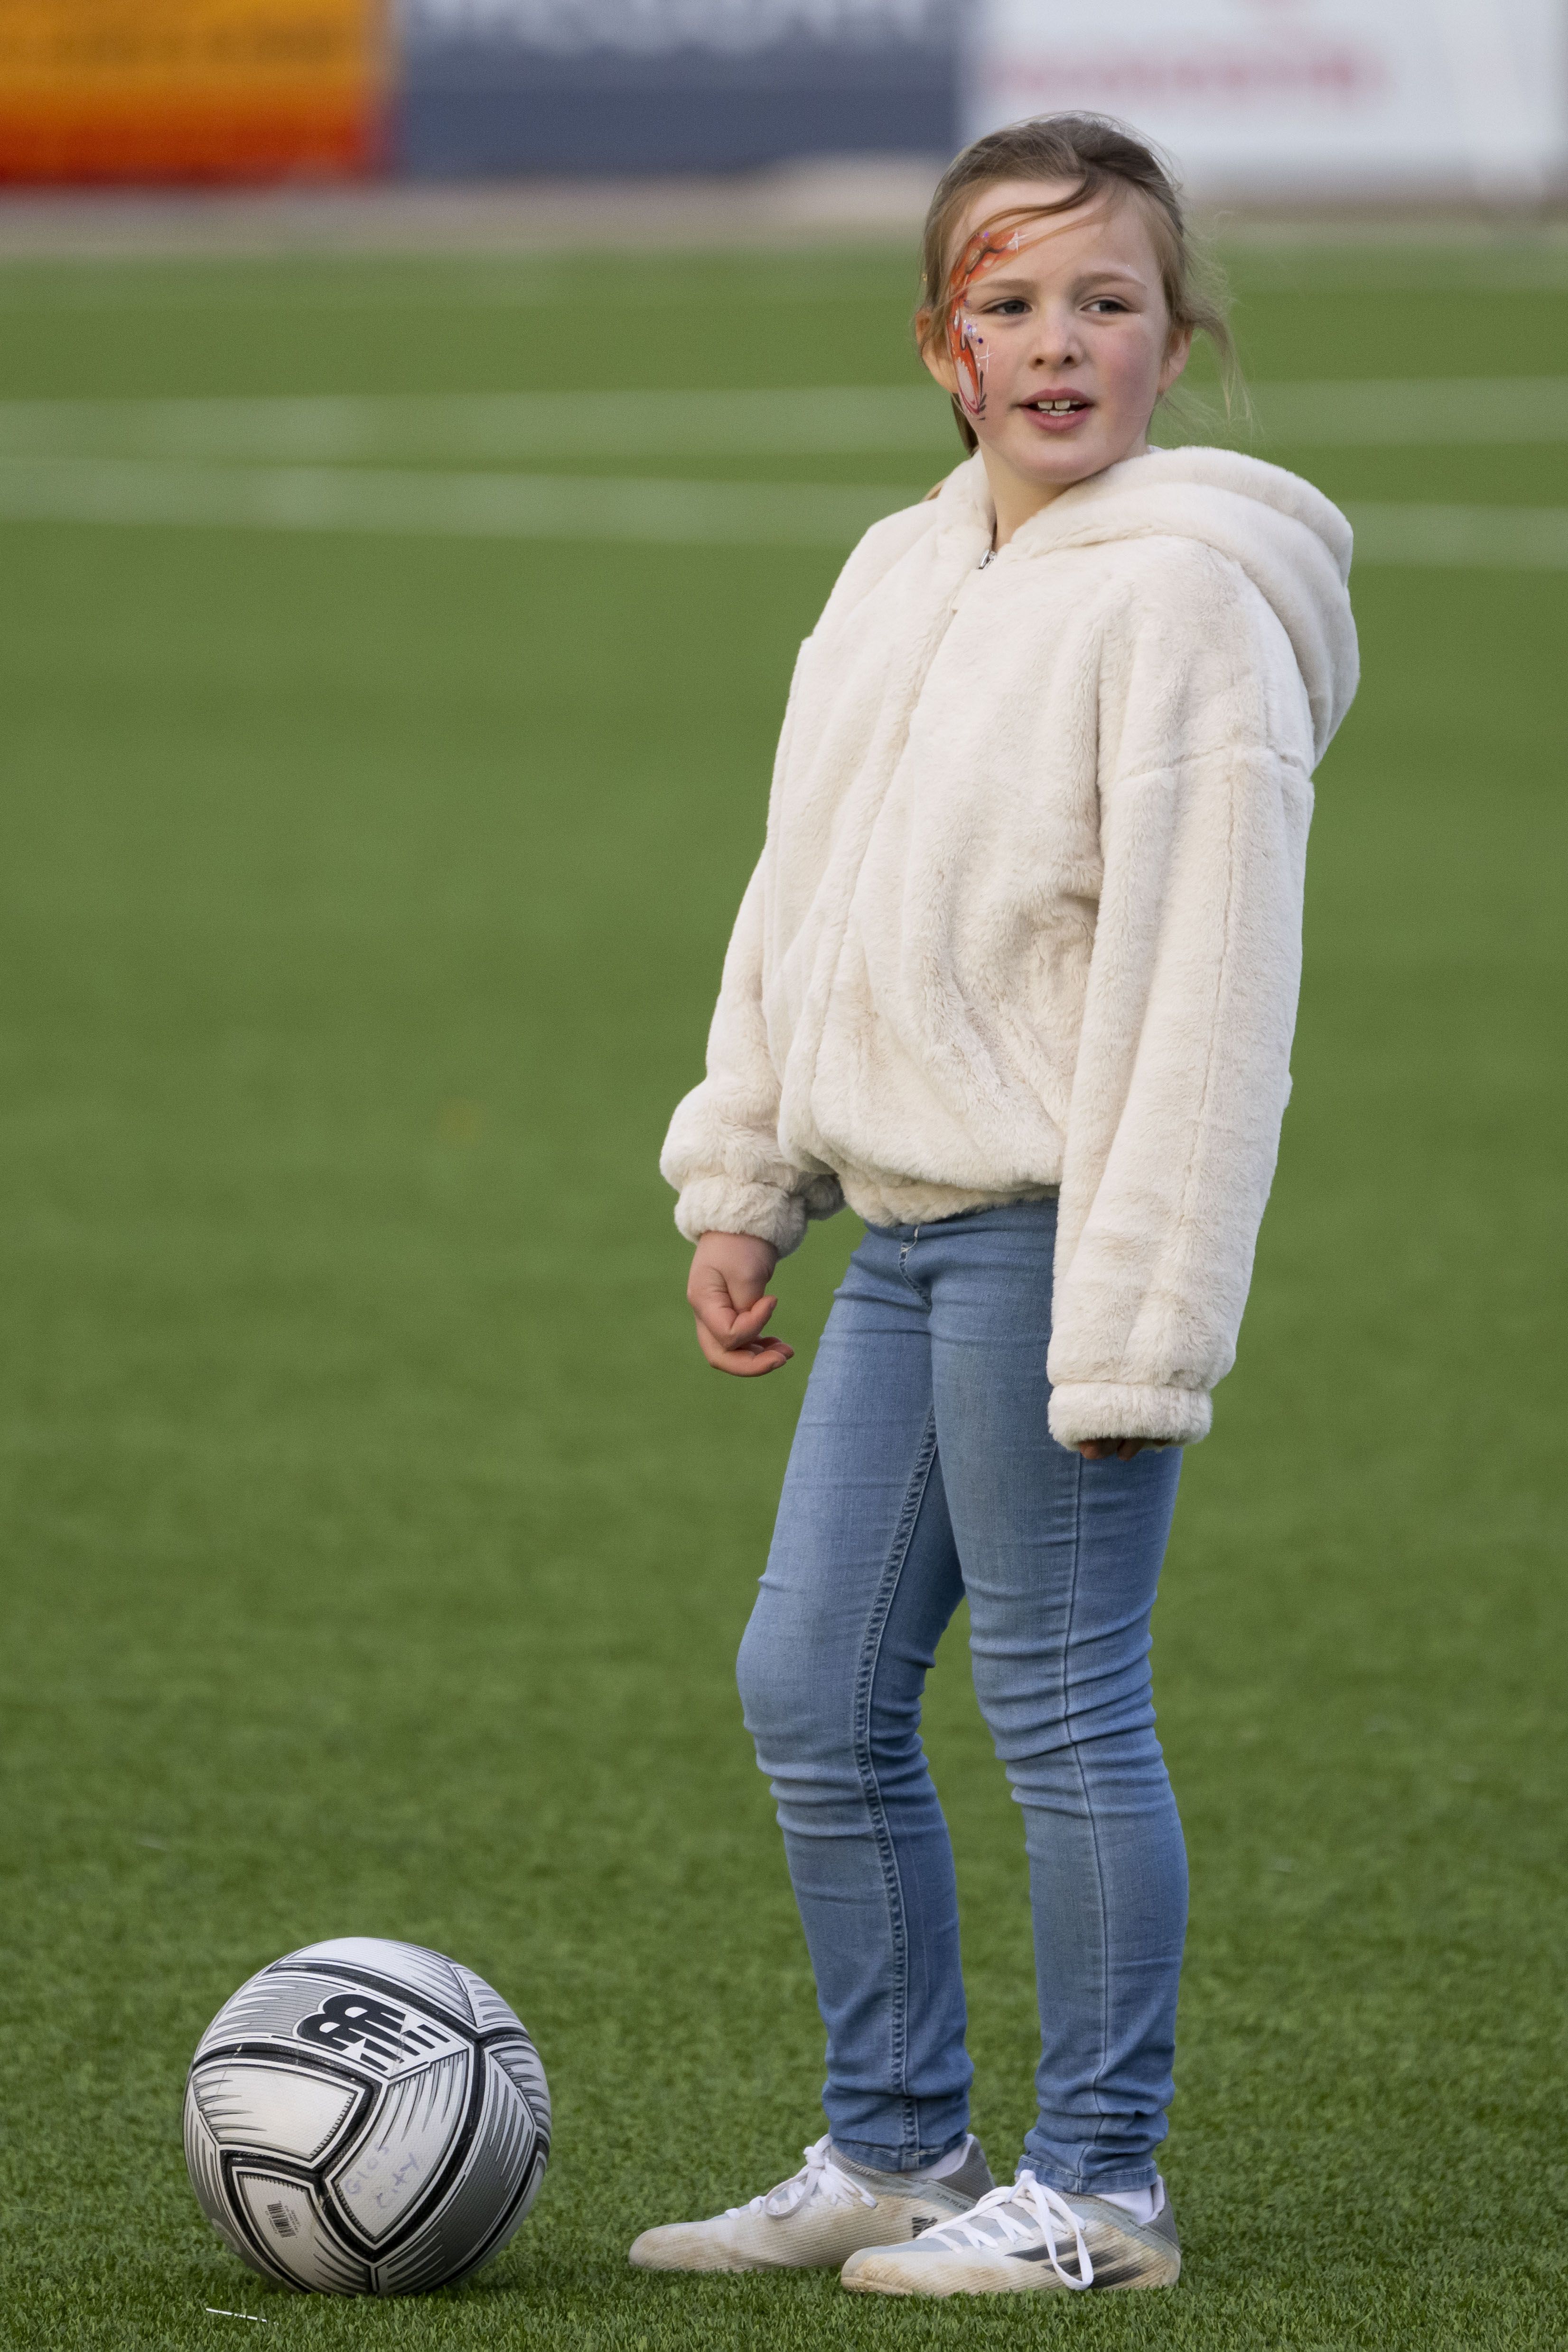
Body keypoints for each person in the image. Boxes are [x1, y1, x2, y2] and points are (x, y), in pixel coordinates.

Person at [633, 112, 1358, 2298]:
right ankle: (899, 2151)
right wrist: (747, 1168)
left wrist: (1138, 1329)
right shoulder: (896, 568)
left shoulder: (1187, 612)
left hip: (1056, 1242)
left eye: (1106, 304)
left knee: (1059, 1704)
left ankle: (1105, 2193)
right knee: (806, 1687)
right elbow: (804, 887)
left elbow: (1207, 1000)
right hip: (898, 1225)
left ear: (1174, 335)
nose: (1059, 346)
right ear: (942, 346)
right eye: (1011, 305)